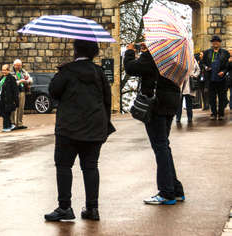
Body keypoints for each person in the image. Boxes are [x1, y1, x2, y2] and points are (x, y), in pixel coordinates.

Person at [44, 40, 115, 222]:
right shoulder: (99, 72)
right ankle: (92, 208)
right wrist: (104, 125)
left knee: (64, 166)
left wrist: (60, 71)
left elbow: (53, 91)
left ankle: (65, 207)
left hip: (68, 128)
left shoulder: (67, 71)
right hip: (94, 127)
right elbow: (108, 100)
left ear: (75, 50)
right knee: (90, 167)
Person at [124, 42, 184, 205]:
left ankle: (166, 192)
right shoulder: (174, 56)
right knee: (164, 145)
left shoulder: (153, 56)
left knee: (160, 147)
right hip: (171, 103)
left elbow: (130, 68)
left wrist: (130, 52)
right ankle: (176, 189)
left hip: (156, 104)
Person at [201, 35, 231, 120]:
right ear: (212, 43)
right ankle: (214, 113)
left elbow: (228, 66)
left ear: (220, 43)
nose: (215, 43)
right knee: (212, 98)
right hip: (211, 79)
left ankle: (221, 114)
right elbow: (202, 63)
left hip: (221, 79)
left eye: (217, 41)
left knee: (222, 98)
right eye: (214, 41)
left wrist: (224, 72)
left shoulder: (225, 53)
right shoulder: (207, 52)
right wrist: (206, 67)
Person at [0, 64, 19, 132]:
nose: (3, 71)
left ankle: (6, 127)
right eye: (2, 70)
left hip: (8, 99)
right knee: (2, 113)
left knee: (6, 114)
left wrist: (16, 101)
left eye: (5, 70)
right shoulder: (1, 77)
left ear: (8, 70)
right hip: (0, 98)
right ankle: (10, 125)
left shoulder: (11, 78)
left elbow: (15, 90)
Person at [10, 59, 33, 130]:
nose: (19, 67)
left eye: (20, 65)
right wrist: (19, 81)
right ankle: (12, 124)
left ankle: (19, 123)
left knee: (21, 108)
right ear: (14, 65)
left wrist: (26, 81)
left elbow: (31, 79)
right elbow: (11, 82)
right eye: (17, 65)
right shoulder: (10, 72)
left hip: (22, 91)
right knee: (13, 108)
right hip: (13, 92)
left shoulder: (23, 71)